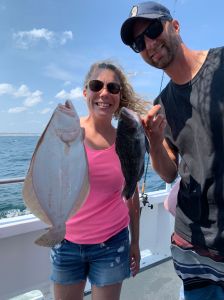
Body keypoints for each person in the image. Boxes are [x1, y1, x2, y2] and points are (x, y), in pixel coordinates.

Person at [120, 1, 224, 300]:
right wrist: (153, 139)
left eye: (153, 30)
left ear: (175, 26)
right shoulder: (161, 103)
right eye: (139, 43)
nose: (149, 44)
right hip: (192, 243)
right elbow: (169, 171)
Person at [50, 60, 148, 300]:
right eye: (97, 85)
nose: (104, 93)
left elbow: (131, 197)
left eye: (113, 88)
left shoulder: (127, 139)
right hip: (66, 242)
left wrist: (135, 242)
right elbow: (48, 181)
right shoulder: (66, 133)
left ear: (119, 97)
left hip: (112, 243)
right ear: (86, 91)